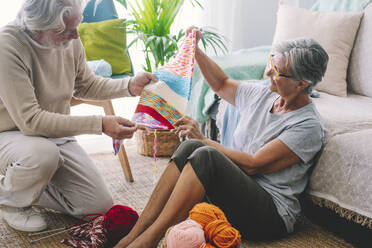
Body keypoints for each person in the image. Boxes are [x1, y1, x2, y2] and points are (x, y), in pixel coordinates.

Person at [115, 27, 329, 248]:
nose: (267, 74)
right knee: (191, 147)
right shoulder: (265, 94)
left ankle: (148, 241)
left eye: (277, 71)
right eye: (271, 64)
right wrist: (195, 50)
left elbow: (254, 166)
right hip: (235, 195)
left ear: (301, 84)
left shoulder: (307, 126)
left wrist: (205, 139)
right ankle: (135, 234)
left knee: (207, 153)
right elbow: (221, 85)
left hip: (270, 214)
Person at [0, 0, 157, 232]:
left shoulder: (68, 39)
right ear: (38, 27)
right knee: (43, 155)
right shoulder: (8, 46)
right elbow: (31, 121)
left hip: (53, 134)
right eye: (67, 31)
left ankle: (26, 182)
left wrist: (130, 86)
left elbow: (86, 84)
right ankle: (11, 202)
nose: (76, 37)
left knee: (97, 208)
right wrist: (100, 124)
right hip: (11, 133)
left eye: (77, 26)